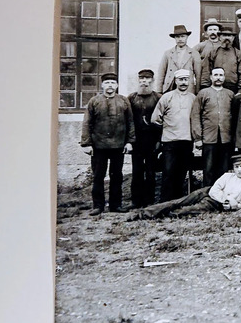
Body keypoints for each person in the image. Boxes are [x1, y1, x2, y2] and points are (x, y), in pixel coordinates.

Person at [132, 153, 241, 218]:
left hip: (214, 204)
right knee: (179, 202)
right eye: (236, 167)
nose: (239, 170)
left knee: (185, 211)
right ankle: (143, 213)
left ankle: (158, 214)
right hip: (208, 193)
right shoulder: (227, 176)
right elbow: (214, 190)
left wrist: (238, 205)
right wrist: (227, 200)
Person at [80, 73, 135, 215]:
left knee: (117, 176)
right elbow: (87, 123)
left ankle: (115, 205)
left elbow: (130, 122)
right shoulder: (94, 101)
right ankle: (98, 206)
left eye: (113, 83)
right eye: (107, 83)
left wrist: (129, 142)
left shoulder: (123, 101)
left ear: (117, 85)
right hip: (99, 146)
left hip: (118, 146)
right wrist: (86, 144)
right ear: (102, 85)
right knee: (98, 175)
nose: (110, 85)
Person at [150, 68, 196, 202]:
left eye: (185, 80)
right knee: (169, 172)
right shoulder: (167, 97)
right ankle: (165, 202)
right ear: (176, 81)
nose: (183, 82)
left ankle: (177, 202)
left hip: (187, 141)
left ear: (189, 81)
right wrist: (167, 129)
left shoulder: (193, 98)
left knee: (182, 173)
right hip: (170, 142)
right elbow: (155, 119)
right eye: (180, 80)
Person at [191, 67, 236, 189]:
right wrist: (198, 138)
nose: (218, 78)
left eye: (221, 75)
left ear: (224, 77)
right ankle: (207, 195)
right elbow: (195, 115)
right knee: (209, 168)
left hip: (226, 138)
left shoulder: (230, 94)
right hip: (209, 137)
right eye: (215, 75)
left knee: (224, 169)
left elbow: (235, 116)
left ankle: (223, 194)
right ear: (211, 77)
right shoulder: (203, 93)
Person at [128, 68, 161, 209]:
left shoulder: (158, 98)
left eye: (147, 79)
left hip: (152, 140)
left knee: (150, 171)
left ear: (152, 81)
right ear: (138, 80)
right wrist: (129, 140)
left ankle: (149, 201)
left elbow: (162, 120)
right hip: (137, 140)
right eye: (142, 79)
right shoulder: (131, 98)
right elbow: (128, 120)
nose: (144, 82)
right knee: (137, 171)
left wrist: (159, 141)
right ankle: (136, 201)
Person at [155, 24, 201, 94]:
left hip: (187, 87)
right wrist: (159, 91)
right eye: (177, 37)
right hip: (171, 86)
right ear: (175, 38)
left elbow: (198, 75)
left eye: (182, 36)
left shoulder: (194, 53)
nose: (180, 39)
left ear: (187, 37)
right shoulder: (168, 53)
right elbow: (161, 73)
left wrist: (197, 92)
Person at [205, 27, 241, 92]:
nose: (226, 38)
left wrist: (240, 90)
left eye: (229, 36)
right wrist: (206, 86)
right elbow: (207, 70)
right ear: (219, 37)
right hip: (215, 86)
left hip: (232, 87)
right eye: (224, 35)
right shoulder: (213, 52)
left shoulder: (238, 53)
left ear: (233, 38)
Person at [194, 18, 224, 85]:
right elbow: (191, 56)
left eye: (215, 30)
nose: (213, 32)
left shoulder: (223, 45)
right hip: (205, 79)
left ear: (219, 31)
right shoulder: (201, 46)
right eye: (210, 30)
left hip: (219, 79)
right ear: (206, 32)